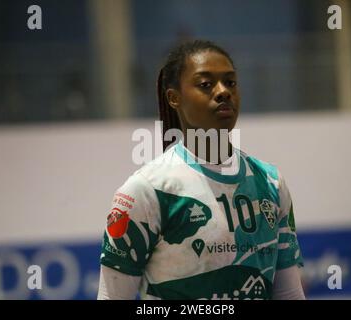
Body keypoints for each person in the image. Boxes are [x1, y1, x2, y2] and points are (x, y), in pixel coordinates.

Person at [97, 40, 305, 300]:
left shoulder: (271, 183)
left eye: (230, 82)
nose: (223, 92)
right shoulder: (146, 191)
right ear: (174, 98)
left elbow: (289, 294)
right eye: (206, 84)